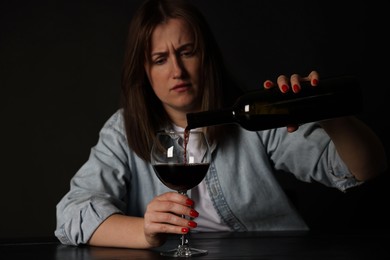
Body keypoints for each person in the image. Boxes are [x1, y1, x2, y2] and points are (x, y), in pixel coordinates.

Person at [55, 0, 387, 249]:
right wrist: (143, 230)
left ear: (206, 57)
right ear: (143, 72)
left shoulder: (253, 114)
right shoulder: (122, 130)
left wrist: (330, 113)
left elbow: (362, 169)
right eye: (160, 59)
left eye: (187, 52)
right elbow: (71, 214)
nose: (177, 71)